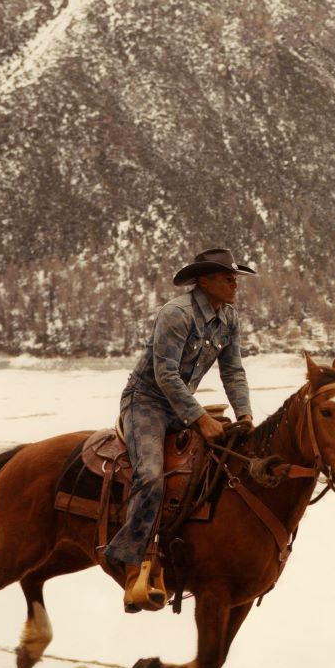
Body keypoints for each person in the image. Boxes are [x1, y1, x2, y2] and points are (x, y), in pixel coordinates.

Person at [104, 248, 255, 612]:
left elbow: (232, 372)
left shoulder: (229, 318)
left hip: (182, 405)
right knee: (151, 475)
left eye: (235, 277)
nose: (235, 283)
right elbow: (165, 375)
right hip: (147, 401)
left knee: (223, 465)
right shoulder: (177, 314)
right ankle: (127, 559)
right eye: (227, 277)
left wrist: (245, 416)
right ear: (204, 281)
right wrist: (200, 417)